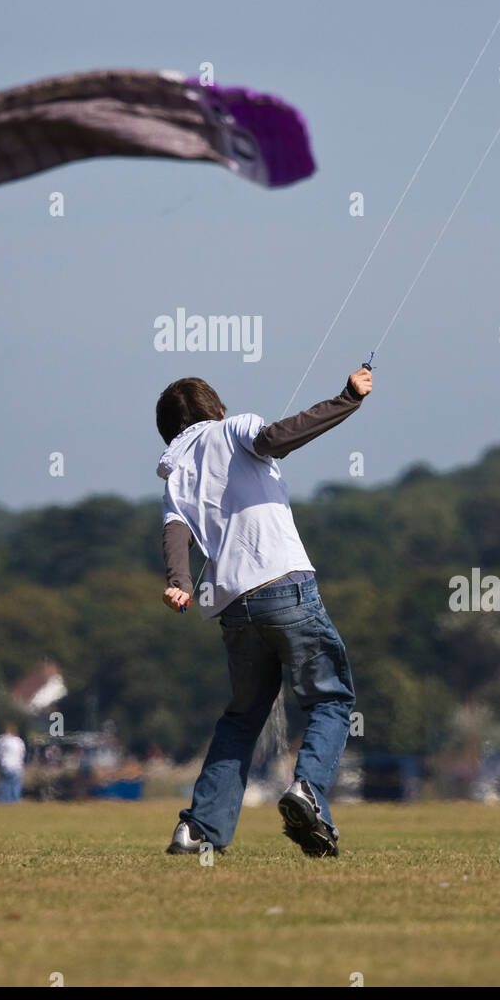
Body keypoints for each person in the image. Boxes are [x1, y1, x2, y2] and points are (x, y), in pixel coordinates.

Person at [157, 365, 372, 858]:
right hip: (284, 584)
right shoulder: (233, 428)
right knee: (330, 699)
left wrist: (180, 584)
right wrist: (347, 398)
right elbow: (278, 437)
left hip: (231, 605)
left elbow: (176, 534)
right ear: (218, 411)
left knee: (242, 717)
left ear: (170, 429)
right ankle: (308, 792)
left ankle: (198, 830)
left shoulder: (175, 470)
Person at [0, 723, 26, 803]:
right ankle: (14, 801)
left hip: (5, 765)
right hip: (17, 766)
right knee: (15, 785)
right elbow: (22, 754)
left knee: (4, 785)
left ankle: (3, 801)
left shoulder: (1, 741)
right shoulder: (19, 741)